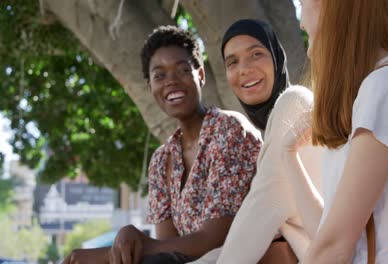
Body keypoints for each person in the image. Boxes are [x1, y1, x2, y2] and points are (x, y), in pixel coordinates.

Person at [63, 25, 262, 264]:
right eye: (159, 75)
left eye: (182, 70)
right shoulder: (161, 160)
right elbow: (167, 252)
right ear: (150, 87)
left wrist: (110, 252)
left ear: (200, 75)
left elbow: (214, 239)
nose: (172, 82)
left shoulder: (228, 130)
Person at [284, 0, 388, 263]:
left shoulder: (386, 86)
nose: (300, 13)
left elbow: (336, 247)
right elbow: (328, 236)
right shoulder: (382, 86)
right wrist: (288, 155)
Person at [190, 19, 323, 264]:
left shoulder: (294, 104)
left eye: (256, 54)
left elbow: (262, 209)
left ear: (276, 58)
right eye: (232, 62)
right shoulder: (269, 129)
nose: (244, 69)